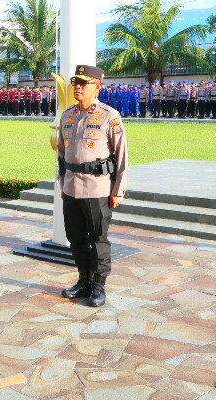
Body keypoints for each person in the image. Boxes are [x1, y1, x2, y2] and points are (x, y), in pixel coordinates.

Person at [57, 65, 128, 307]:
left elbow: (122, 156)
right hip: (71, 188)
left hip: (97, 189)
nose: (77, 87)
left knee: (98, 239)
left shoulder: (109, 116)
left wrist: (118, 190)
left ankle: (98, 286)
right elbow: (61, 155)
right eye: (75, 82)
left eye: (83, 83)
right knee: (75, 238)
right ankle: (84, 280)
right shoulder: (67, 115)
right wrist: (62, 184)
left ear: (97, 86)